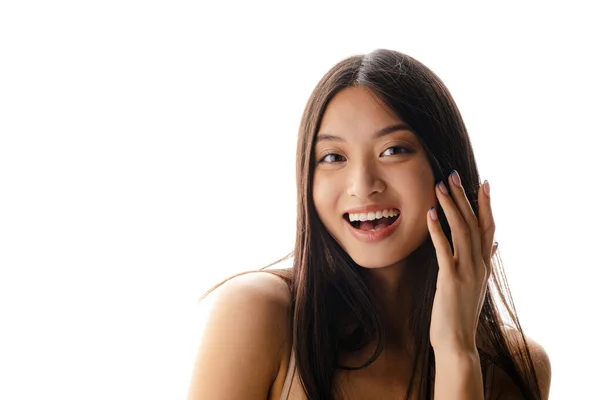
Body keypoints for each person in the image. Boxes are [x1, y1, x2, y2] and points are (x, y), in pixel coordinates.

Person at [187, 49, 551, 399]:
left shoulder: (516, 366)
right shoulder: (259, 313)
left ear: (445, 165)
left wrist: (457, 350)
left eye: (393, 150)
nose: (362, 185)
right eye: (332, 157)